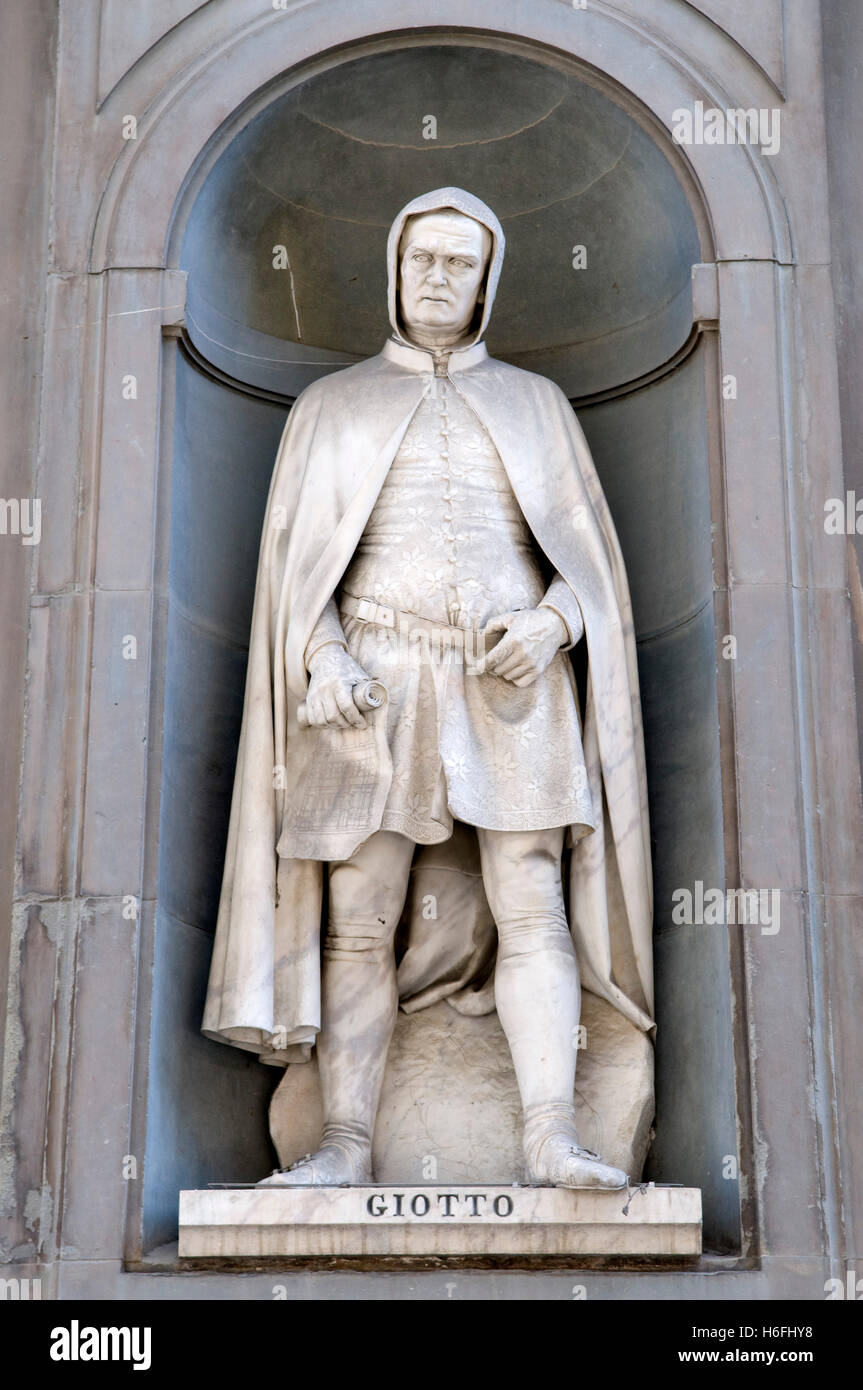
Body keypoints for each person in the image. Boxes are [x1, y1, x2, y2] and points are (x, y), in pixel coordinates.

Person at [202, 188, 654, 1191]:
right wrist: (318, 658)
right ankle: (344, 1147)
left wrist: (549, 624)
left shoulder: (537, 404)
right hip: (372, 674)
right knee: (357, 911)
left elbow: (591, 569)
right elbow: (294, 573)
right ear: (394, 273)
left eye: (459, 263)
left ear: (487, 281)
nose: (438, 278)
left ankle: (550, 1136)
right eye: (423, 261)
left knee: (530, 895)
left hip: (512, 680)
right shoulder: (331, 405)